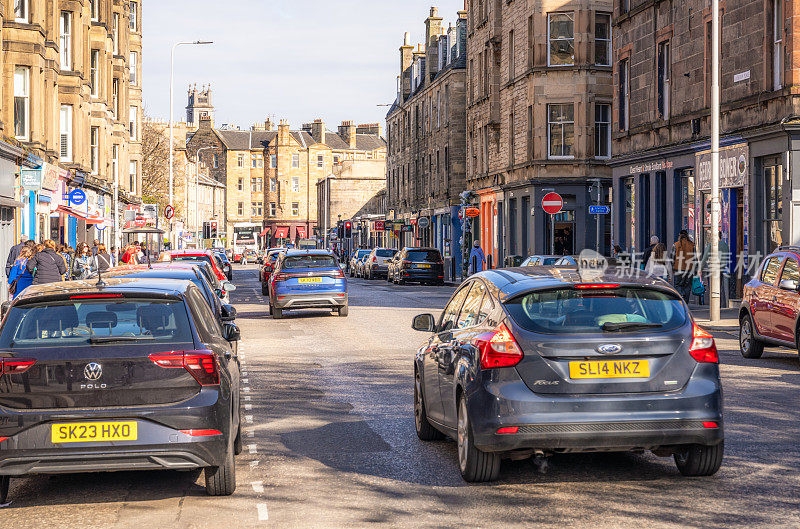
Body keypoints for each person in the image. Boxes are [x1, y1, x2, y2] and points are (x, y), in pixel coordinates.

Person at [699, 231, 731, 308]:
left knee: (713, 288)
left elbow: (705, 257)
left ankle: (715, 306)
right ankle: (721, 305)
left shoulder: (712, 245)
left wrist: (700, 268)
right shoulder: (725, 245)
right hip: (722, 269)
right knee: (720, 287)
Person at [672, 230, 696, 301]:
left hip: (678, 268)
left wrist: (672, 268)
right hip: (689, 269)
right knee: (687, 286)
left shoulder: (676, 245)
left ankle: (680, 299)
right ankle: (686, 302)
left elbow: (672, 257)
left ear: (679, 236)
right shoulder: (692, 245)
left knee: (678, 285)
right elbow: (695, 258)